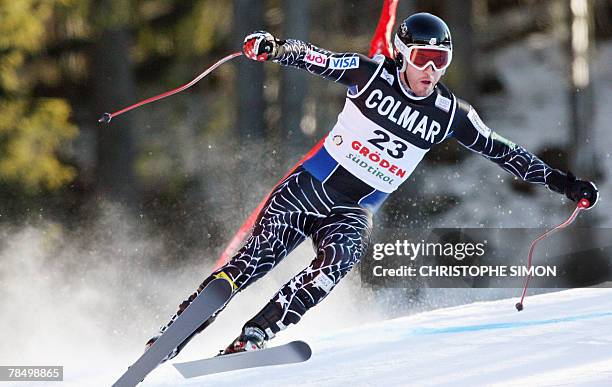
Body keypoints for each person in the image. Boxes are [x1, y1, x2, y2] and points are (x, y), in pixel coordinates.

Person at [146, 12, 598, 359]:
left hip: (353, 210)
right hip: (310, 188)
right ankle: (172, 336)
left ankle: (253, 338)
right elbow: (316, 57)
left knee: (339, 261)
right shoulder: (370, 75)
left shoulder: (450, 114)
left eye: (441, 61)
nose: (432, 71)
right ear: (403, 53)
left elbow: (507, 153)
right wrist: (274, 47)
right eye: (424, 59)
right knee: (251, 264)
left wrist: (565, 183)